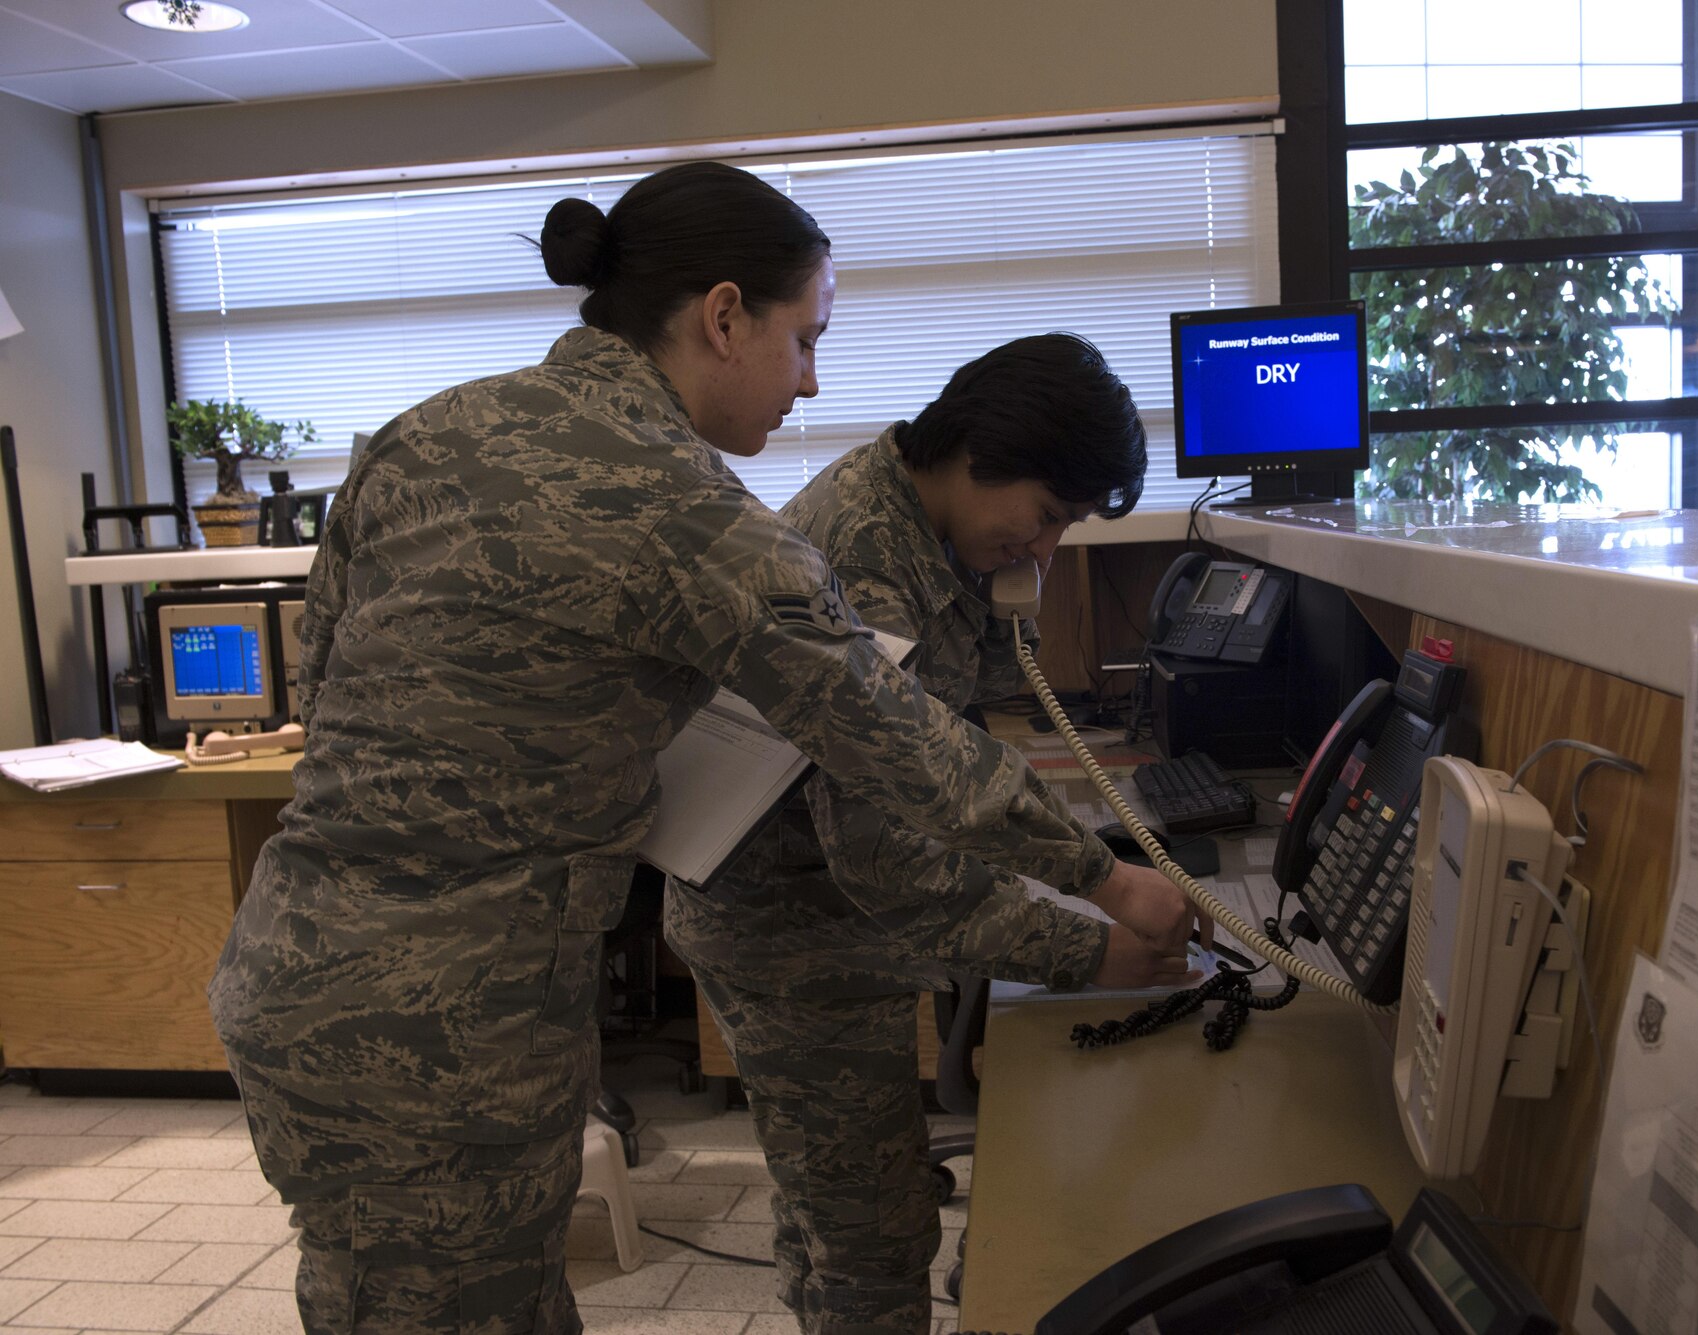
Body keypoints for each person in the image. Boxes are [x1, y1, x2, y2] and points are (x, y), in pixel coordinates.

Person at [207, 163, 1197, 1335]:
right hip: (447, 1021)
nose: (811, 380)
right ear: (724, 318)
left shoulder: (420, 435)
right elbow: (890, 737)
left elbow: (324, 689)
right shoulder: (680, 507)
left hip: (294, 967)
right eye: (803, 338)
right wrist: (1102, 876)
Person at [666, 333, 1197, 1335]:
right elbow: (881, 851)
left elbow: (955, 748)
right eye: (1045, 517)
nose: (1045, 550)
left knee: (831, 1209)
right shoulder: (867, 562)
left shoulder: (931, 530)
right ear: (978, 453)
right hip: (795, 936)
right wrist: (1092, 944)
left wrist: (1083, 871)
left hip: (826, 910)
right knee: (874, 1241)